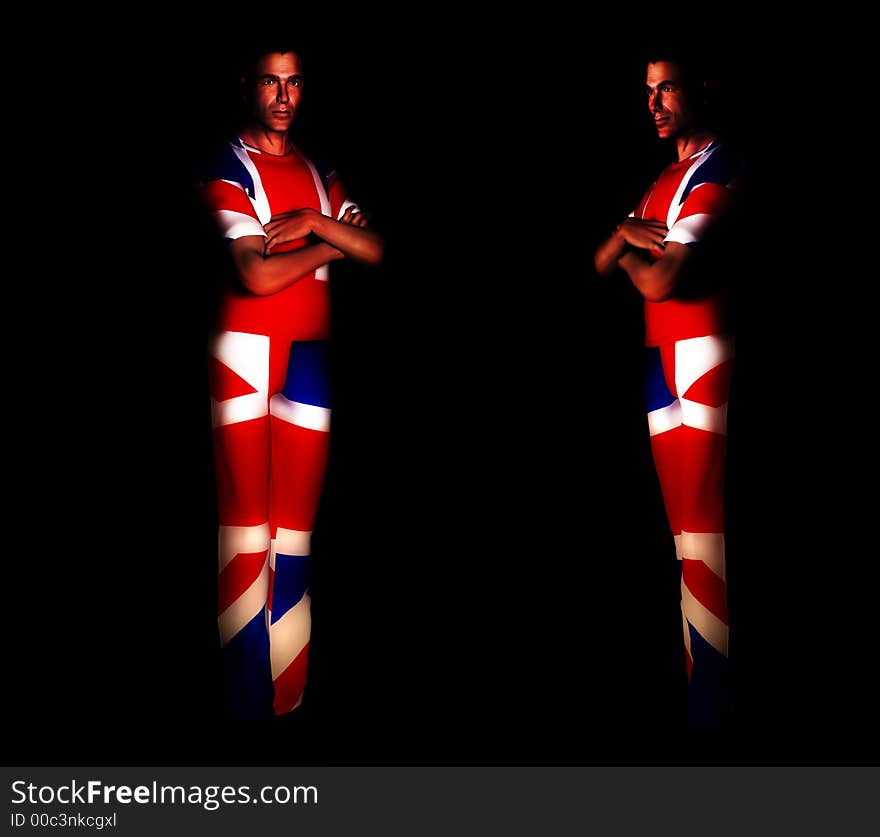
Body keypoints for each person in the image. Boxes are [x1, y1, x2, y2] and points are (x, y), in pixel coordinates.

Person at [197, 43, 384, 719]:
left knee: (296, 536)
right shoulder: (226, 162)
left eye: (294, 82)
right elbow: (253, 273)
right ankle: (243, 706)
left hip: (310, 352)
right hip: (243, 350)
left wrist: (309, 224)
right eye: (271, 83)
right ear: (248, 85)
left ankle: (287, 706)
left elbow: (379, 246)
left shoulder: (316, 168)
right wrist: (331, 235)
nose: (283, 95)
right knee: (246, 531)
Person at [593, 50, 743, 728]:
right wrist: (625, 238)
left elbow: (660, 280)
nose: (654, 104)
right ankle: (700, 703)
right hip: (663, 365)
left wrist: (623, 243)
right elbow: (599, 259)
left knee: (704, 536)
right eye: (647, 92)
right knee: (684, 541)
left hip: (702, 358)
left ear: (701, 88)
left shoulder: (721, 167)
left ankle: (714, 711)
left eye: (668, 88)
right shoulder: (663, 178)